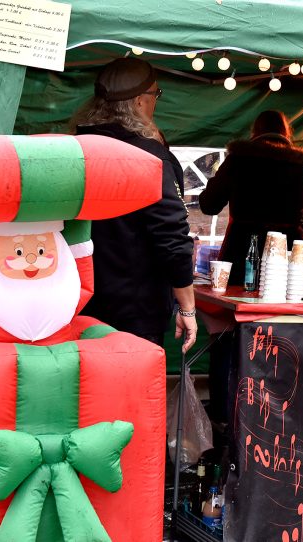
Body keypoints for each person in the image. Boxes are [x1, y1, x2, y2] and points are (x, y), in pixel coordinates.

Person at [70, 57, 197, 353]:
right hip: (135, 309)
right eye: (156, 95)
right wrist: (187, 308)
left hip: (77, 299)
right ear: (140, 101)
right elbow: (171, 236)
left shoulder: (74, 148)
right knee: (129, 394)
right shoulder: (148, 157)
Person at [199, 110, 303, 283]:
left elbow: (209, 204)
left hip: (242, 247)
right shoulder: (300, 165)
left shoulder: (238, 159)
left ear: (255, 132)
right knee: (284, 305)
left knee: (237, 302)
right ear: (286, 132)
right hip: (286, 250)